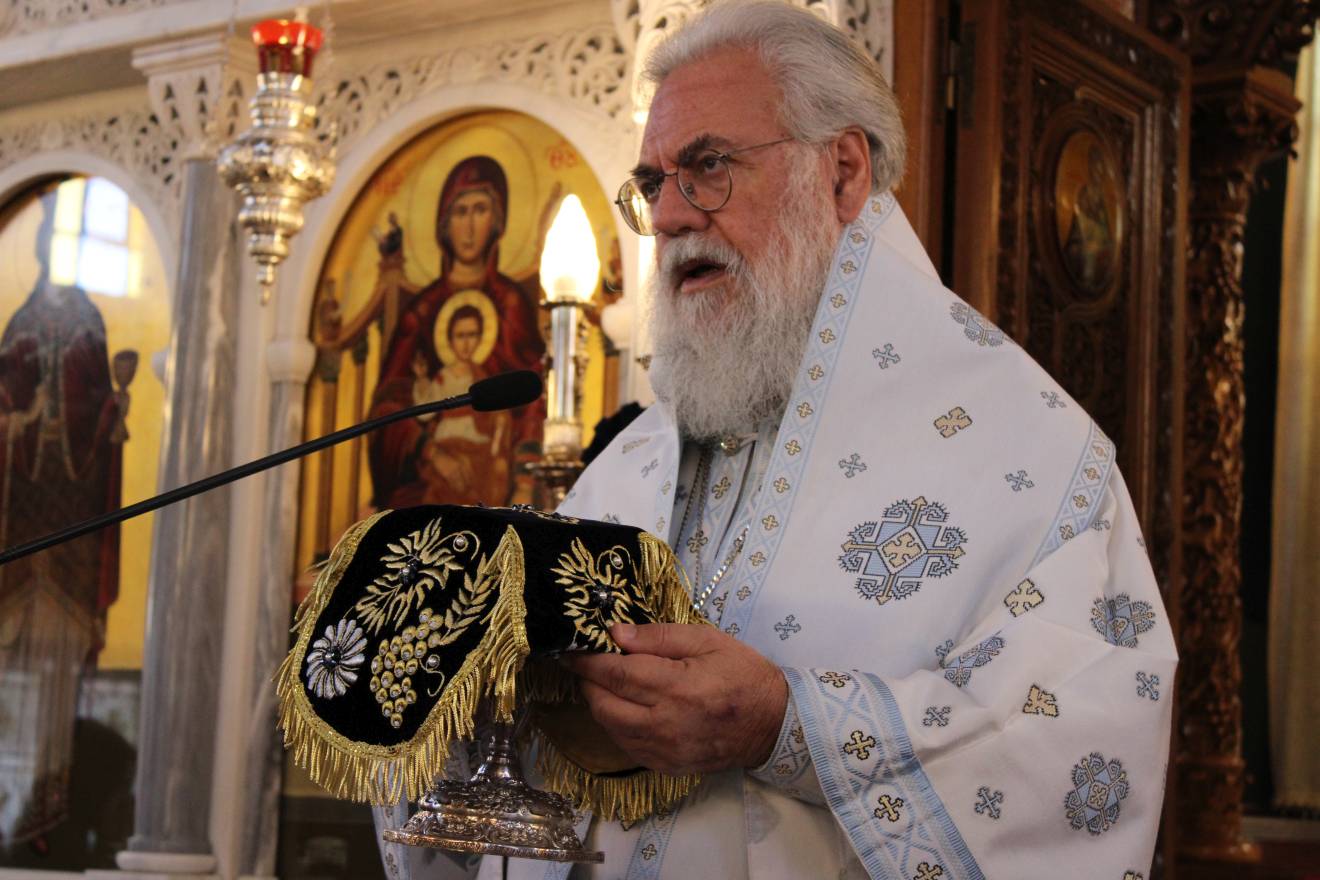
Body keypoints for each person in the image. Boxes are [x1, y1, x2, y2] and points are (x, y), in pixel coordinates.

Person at [375, 3, 1175, 878]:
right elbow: (522, 788)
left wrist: (787, 728)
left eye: (708, 166)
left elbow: (1080, 741)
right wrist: (461, 691)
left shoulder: (1028, 450)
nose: (669, 215)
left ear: (842, 172)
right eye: (652, 184)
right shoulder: (632, 462)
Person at [367, 156, 545, 510]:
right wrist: (431, 452)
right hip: (427, 479)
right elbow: (388, 405)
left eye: (480, 210)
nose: (469, 226)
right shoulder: (421, 312)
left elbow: (533, 397)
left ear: (497, 220)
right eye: (460, 212)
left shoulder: (510, 304)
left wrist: (524, 483)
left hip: (496, 482)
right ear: (444, 223)